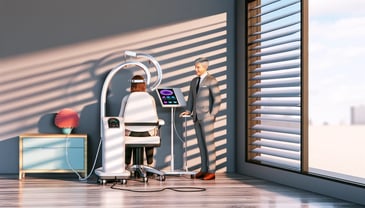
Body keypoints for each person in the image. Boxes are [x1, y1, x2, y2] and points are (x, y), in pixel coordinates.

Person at [180, 57, 221, 180]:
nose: (195, 69)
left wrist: (212, 115)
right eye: (195, 67)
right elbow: (191, 98)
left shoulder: (211, 80)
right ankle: (203, 169)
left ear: (205, 67)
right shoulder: (194, 81)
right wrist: (188, 110)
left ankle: (212, 171)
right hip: (196, 116)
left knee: (209, 144)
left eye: (198, 67)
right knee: (201, 144)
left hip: (206, 116)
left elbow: (217, 99)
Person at [119, 75, 155, 167]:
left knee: (126, 137)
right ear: (144, 85)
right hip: (147, 133)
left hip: (131, 133)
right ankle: (150, 164)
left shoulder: (126, 98)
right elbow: (155, 117)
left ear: (132, 85)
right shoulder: (150, 98)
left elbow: (120, 117)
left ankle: (127, 164)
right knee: (150, 138)